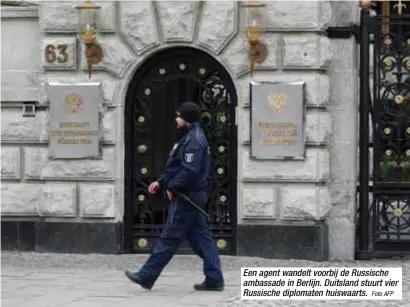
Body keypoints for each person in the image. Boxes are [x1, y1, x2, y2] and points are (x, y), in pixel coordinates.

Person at [124, 101, 224, 292]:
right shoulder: (187, 137)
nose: (176, 119)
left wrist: (172, 186)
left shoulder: (194, 140)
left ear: (186, 119)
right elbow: (176, 165)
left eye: (179, 116)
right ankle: (214, 278)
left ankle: (146, 275)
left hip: (187, 198)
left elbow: (189, 170)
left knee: (169, 238)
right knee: (203, 240)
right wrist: (161, 182)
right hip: (191, 196)